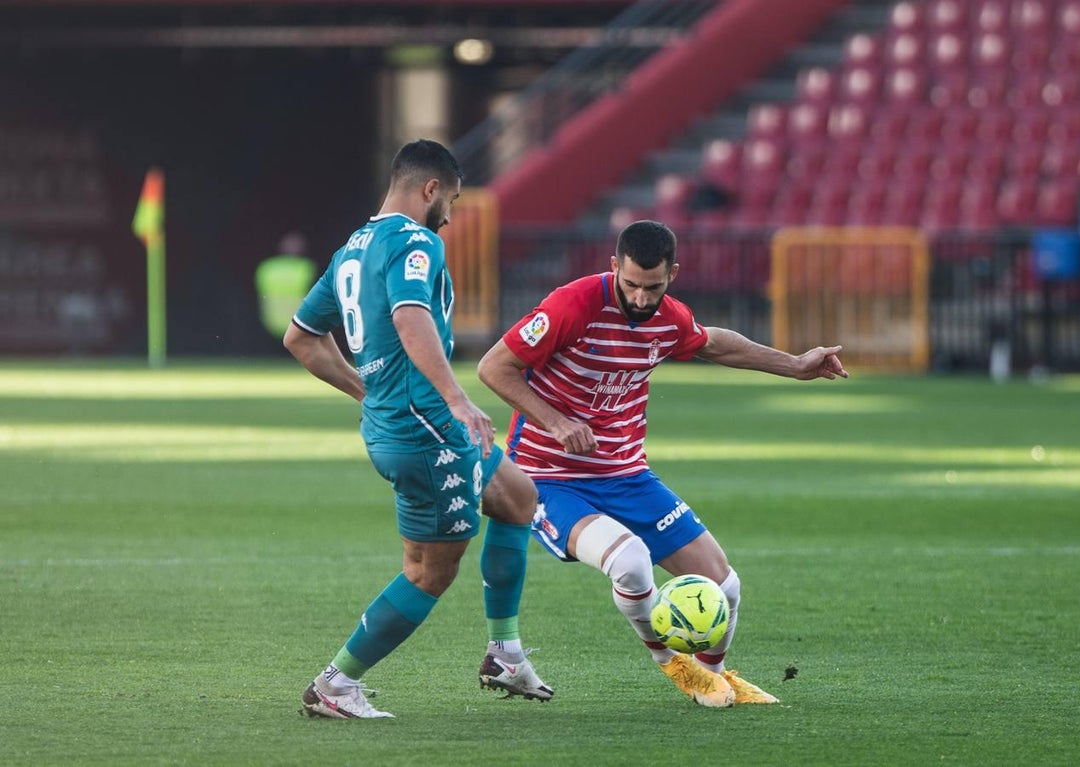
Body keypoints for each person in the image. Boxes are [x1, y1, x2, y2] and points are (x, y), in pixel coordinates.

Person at [477, 219, 847, 708]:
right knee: (629, 562)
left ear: (673, 273)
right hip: (549, 478)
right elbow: (493, 366)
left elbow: (715, 342)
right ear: (614, 267)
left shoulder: (669, 318)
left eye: (653, 287)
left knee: (725, 584)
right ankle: (675, 667)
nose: (640, 297)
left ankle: (712, 677)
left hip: (626, 474)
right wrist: (557, 422)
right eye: (630, 284)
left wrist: (795, 365)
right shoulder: (574, 304)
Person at [284, 139, 553, 719]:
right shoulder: (415, 242)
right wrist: (457, 399)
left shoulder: (352, 249)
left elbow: (301, 337)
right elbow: (410, 316)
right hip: (425, 432)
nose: (451, 216)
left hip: (403, 423)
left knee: (517, 497)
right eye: (450, 200)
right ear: (429, 189)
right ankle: (335, 685)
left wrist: (368, 391)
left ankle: (504, 654)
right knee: (430, 572)